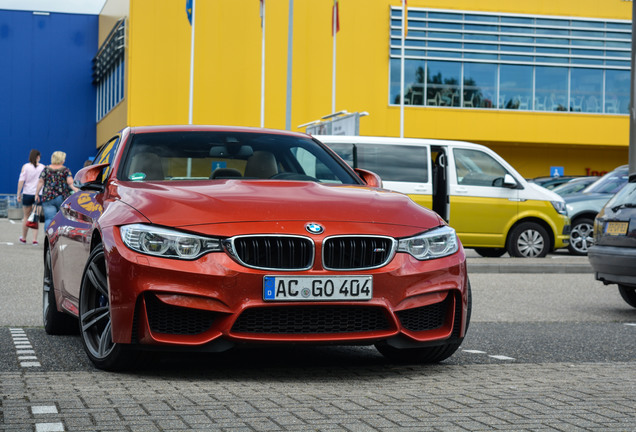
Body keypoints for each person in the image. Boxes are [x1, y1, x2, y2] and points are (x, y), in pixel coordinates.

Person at [35, 151, 79, 232]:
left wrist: (36, 194)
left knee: (49, 219)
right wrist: (77, 191)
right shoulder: (65, 170)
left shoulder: (46, 169)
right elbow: (70, 183)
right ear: (61, 159)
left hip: (48, 197)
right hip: (61, 197)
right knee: (62, 219)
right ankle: (59, 237)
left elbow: (40, 182)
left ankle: (48, 238)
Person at [17, 149, 45, 245]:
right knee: (35, 217)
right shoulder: (43, 167)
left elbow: (21, 181)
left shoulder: (25, 167)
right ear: (38, 157)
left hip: (27, 193)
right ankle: (34, 240)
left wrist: (18, 194)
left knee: (26, 216)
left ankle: (24, 238)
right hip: (39, 194)